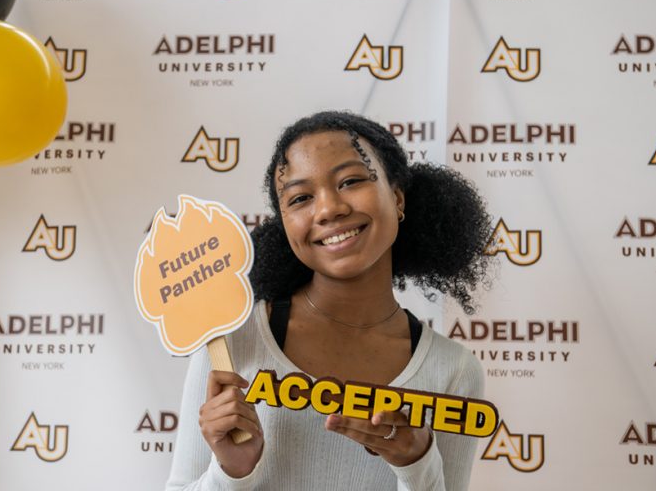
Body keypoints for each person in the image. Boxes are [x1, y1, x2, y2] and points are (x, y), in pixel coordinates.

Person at [166, 111, 493, 490]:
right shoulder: (229, 343)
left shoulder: (452, 371)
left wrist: (417, 463)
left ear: (398, 197)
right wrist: (232, 471)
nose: (328, 209)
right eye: (301, 198)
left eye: (351, 181)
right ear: (285, 223)